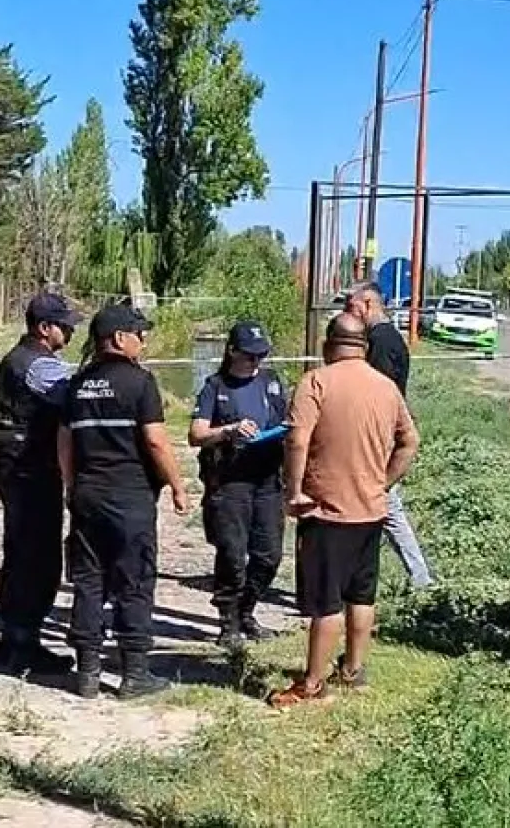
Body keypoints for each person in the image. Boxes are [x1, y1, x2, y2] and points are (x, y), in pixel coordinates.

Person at [268, 315, 419, 708]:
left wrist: (293, 491)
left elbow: (297, 440)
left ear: (327, 344)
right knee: (361, 596)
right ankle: (353, 670)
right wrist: (383, 482)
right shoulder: (386, 387)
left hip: (327, 511)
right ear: (364, 347)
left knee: (327, 602)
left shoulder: (316, 383)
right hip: (371, 509)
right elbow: (410, 441)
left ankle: (312, 685)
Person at [59, 304, 189, 699]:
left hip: (87, 494)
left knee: (88, 580)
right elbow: (155, 441)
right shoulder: (140, 382)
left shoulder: (77, 384)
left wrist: (71, 485)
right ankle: (135, 674)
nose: (143, 341)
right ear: (118, 338)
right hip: (129, 496)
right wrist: (178, 485)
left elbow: (64, 442)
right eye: (139, 334)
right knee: (134, 579)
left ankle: (87, 673)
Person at [0, 292, 83, 677]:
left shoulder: (23, 359)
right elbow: (77, 398)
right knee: (36, 556)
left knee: (24, 552)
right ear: (44, 328)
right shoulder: (37, 366)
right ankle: (21, 644)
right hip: (28, 469)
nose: (71, 332)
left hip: (22, 466)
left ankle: (17, 640)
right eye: (65, 326)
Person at [188, 321, 288, 647]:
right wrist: (228, 431)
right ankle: (228, 621)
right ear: (232, 351)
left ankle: (247, 609)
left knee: (269, 555)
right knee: (232, 554)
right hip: (230, 482)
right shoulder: (215, 386)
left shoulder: (272, 382)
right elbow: (196, 434)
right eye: (249, 356)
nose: (255, 362)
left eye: (261, 356)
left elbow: (288, 421)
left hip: (267, 479)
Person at [343, 285, 434, 589]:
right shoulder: (386, 337)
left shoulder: (381, 341)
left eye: (351, 306)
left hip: (378, 437)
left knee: (383, 502)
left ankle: (419, 577)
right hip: (381, 435)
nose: (347, 312)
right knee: (382, 503)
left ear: (368, 304)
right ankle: (418, 576)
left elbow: (377, 394)